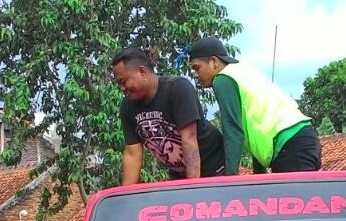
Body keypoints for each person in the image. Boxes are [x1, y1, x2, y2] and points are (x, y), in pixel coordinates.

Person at [187, 37, 320, 174]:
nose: (196, 75)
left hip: (290, 145)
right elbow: (256, 132)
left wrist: (228, 180)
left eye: (197, 68)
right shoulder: (243, 73)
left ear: (214, 62)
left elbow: (233, 131)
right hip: (303, 139)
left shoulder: (222, 80)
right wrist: (258, 176)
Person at [111, 46, 225, 184]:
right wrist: (126, 198)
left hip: (215, 168)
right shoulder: (128, 107)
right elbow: (132, 154)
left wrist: (194, 189)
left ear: (142, 71)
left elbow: (189, 139)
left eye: (123, 82)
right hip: (180, 174)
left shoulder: (177, 89)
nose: (122, 89)